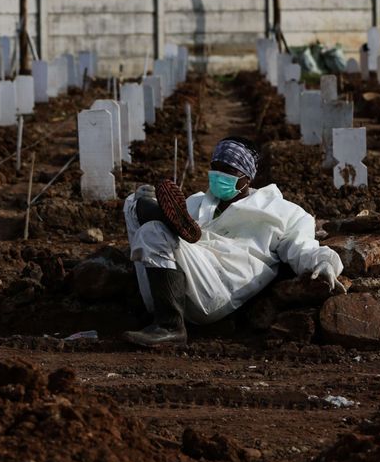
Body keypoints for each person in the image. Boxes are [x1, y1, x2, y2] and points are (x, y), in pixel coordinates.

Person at [122, 137, 344, 347]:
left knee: (153, 230)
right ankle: (155, 212)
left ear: (247, 177)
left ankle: (169, 326)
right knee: (133, 206)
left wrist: (325, 262)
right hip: (170, 289)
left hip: (218, 287)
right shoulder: (197, 201)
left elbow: (303, 247)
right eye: (215, 167)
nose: (219, 175)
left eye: (228, 170)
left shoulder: (283, 212)